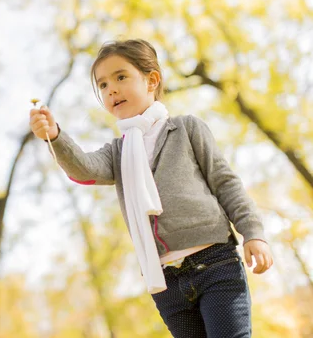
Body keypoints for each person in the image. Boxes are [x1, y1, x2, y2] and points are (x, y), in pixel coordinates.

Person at [29, 39, 273, 338]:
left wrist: (253, 232)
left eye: (121, 77)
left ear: (151, 80)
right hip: (165, 281)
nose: (112, 89)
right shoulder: (118, 152)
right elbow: (85, 169)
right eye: (103, 85)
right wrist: (54, 135)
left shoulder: (186, 129)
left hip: (215, 264)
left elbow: (226, 183)